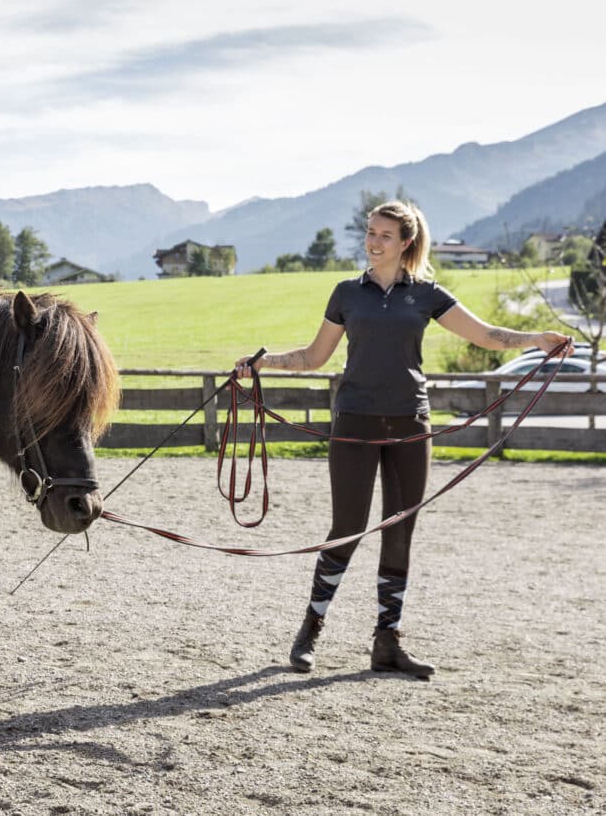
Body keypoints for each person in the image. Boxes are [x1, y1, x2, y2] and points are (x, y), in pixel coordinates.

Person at [235, 200, 572, 679]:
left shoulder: (427, 295)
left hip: (412, 426)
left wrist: (536, 339)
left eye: (385, 236)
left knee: (400, 533)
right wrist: (263, 363)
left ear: (406, 243)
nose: (374, 242)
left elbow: (487, 336)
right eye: (370, 233)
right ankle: (310, 629)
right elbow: (314, 357)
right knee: (346, 530)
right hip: (354, 423)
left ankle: (387, 643)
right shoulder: (347, 293)